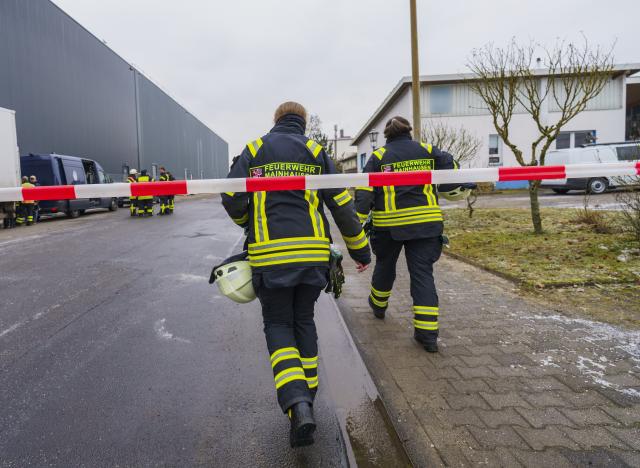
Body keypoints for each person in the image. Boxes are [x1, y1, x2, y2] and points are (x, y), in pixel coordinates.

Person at [222, 102, 371, 448]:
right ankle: (308, 399)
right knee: (303, 320)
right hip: (311, 256)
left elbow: (231, 196)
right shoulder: (316, 151)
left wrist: (250, 223)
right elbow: (341, 205)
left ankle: (297, 403)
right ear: (303, 123)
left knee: (278, 325)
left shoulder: (256, 149)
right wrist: (361, 251)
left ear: (276, 121)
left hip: (270, 256)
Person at [355, 116, 464, 354]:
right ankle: (428, 336)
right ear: (409, 131)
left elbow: (364, 192)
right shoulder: (426, 150)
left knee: (385, 266)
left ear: (387, 135)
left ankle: (379, 306)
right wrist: (448, 188)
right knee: (422, 274)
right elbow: (451, 167)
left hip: (389, 226)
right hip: (426, 224)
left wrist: (358, 220)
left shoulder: (379, 157)